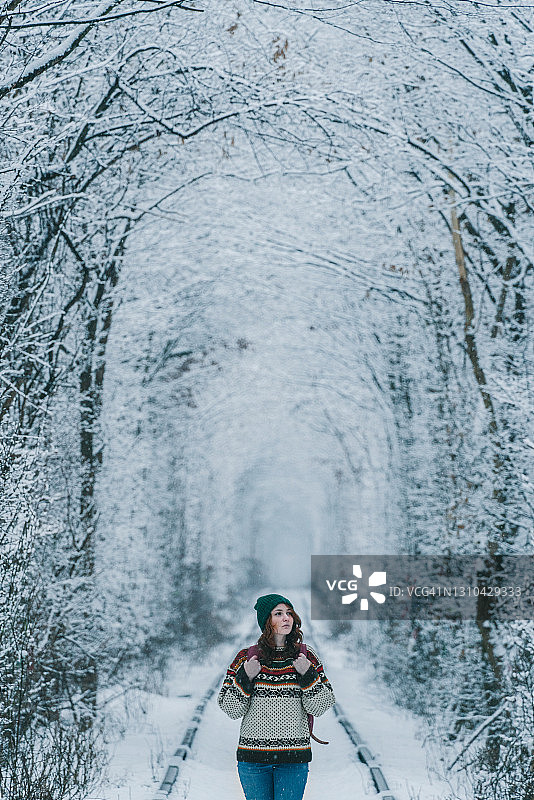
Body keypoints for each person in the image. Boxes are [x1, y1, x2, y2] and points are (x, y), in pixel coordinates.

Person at [218, 593, 336, 800]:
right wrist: (246, 677)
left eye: (289, 613)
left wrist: (307, 675)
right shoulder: (246, 658)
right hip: (252, 759)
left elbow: (322, 705)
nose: (286, 618)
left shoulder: (306, 657)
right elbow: (230, 708)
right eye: (278, 614)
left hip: (293, 759)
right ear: (267, 621)